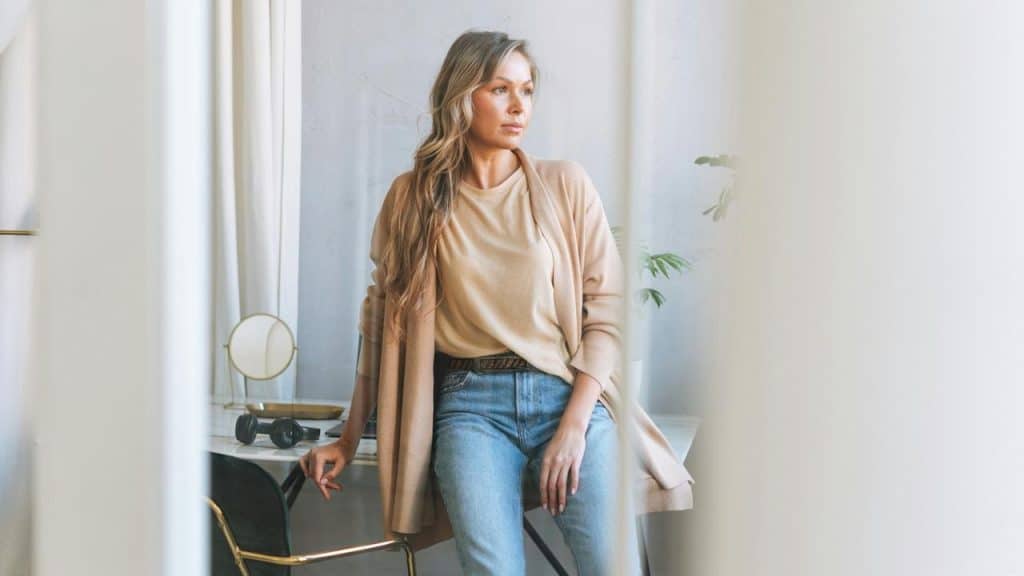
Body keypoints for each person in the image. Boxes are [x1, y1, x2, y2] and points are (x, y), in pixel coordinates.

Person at [299, 30, 693, 576]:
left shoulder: (565, 186)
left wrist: (575, 426)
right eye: (500, 89)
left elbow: (608, 313)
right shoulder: (412, 199)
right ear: (462, 97)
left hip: (566, 395)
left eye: (527, 91)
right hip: (470, 407)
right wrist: (347, 437)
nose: (518, 106)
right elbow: (380, 323)